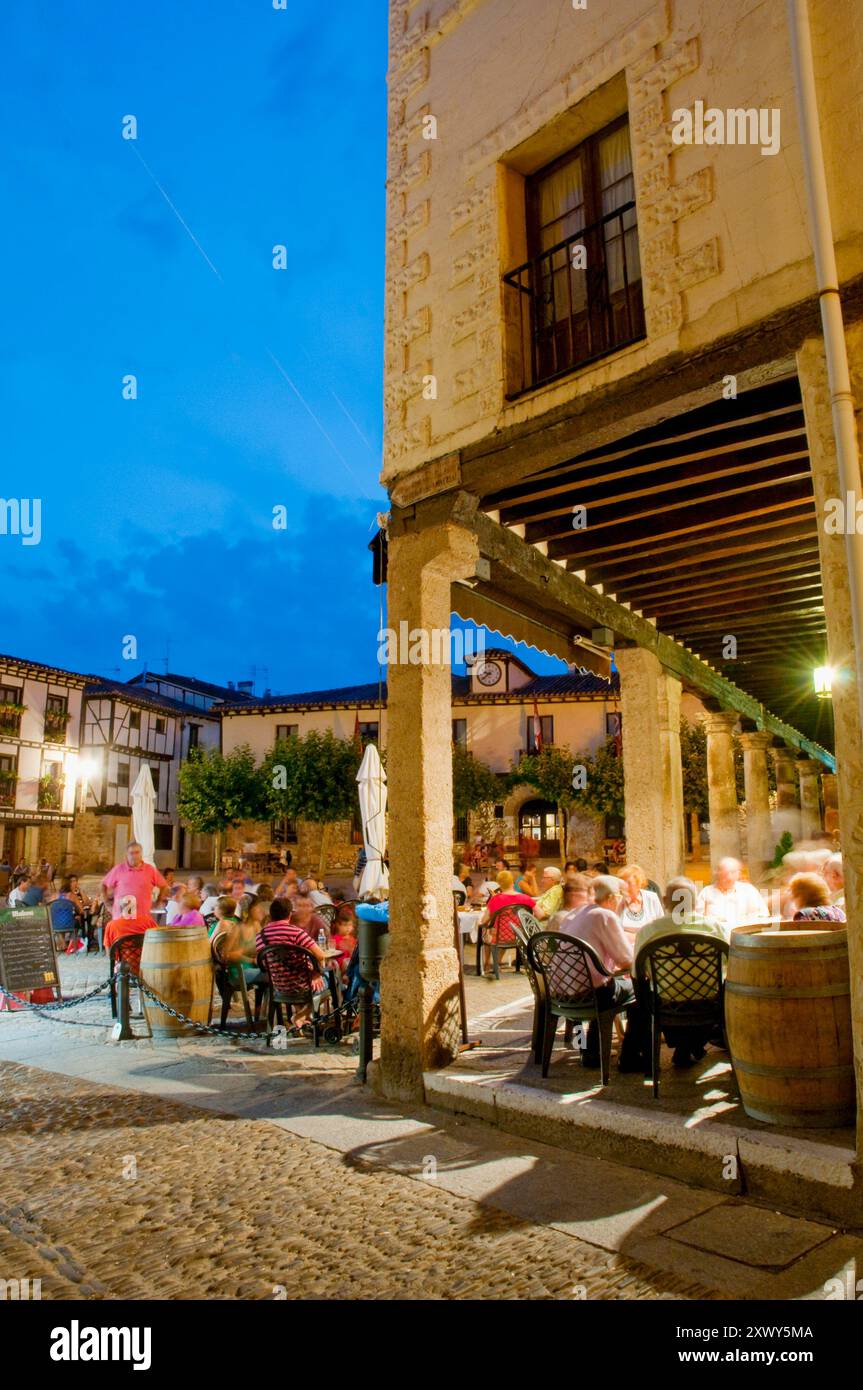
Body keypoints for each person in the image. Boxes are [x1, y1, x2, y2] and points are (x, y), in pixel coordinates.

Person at [633, 877, 727, 1068]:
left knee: (650, 996)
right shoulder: (713, 927)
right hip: (710, 1000)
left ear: (665, 900)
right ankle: (692, 1045)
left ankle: (684, 1046)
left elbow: (637, 973)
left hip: (667, 1003)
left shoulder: (649, 930)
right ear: (695, 901)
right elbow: (728, 964)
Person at [555, 876, 643, 1071]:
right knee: (640, 992)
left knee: (602, 983)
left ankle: (587, 1050)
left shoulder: (575, 913)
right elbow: (626, 959)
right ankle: (629, 1056)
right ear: (612, 897)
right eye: (622, 896)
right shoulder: (605, 915)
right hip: (592, 994)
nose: (624, 901)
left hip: (564, 992)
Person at [257, 899, 331, 1028]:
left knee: (306, 982)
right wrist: (315, 973)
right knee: (332, 979)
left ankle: (304, 1020)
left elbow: (264, 963)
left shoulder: (260, 936)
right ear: (290, 914)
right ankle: (301, 1016)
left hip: (278, 987)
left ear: (271, 914)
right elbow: (320, 955)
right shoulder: (296, 932)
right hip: (303, 986)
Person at [695, 857, 767, 930]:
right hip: (716, 938)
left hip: (744, 936)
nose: (729, 877)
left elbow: (762, 916)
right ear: (717, 873)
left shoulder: (748, 890)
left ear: (738, 874)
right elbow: (697, 920)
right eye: (725, 873)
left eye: (733, 872)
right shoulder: (706, 892)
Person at [102, 842, 166, 919]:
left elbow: (163, 885)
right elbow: (103, 884)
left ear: (141, 854)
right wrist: (107, 902)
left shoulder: (150, 870)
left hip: (142, 916)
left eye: (137, 853)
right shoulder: (119, 869)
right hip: (121, 917)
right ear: (127, 855)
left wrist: (159, 901)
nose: (134, 856)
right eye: (131, 853)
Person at [618, 864, 664, 942]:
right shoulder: (617, 900)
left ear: (639, 884)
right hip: (625, 946)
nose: (624, 887)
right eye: (622, 883)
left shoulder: (652, 898)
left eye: (628, 883)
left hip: (649, 945)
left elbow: (661, 926)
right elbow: (614, 931)